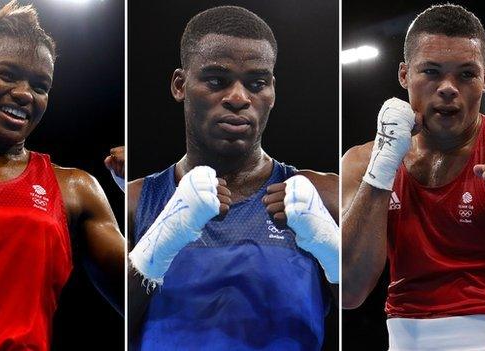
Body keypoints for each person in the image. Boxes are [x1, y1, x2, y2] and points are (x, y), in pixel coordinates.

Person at [127, 6, 339, 351]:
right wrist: (162, 239)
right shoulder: (137, 201)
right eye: (217, 81)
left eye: (257, 83)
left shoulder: (324, 194)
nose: (239, 98)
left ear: (272, 91)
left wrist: (329, 247)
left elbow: (359, 299)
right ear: (180, 85)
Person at [0, 1, 124, 350]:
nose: (25, 93)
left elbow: (146, 299)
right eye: (8, 74)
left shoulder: (74, 188)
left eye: (40, 85)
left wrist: (147, 196)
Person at [342, 4, 485, 350]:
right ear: (404, 75)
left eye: (466, 74)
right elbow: (349, 289)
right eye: (431, 72)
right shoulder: (362, 162)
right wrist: (383, 165)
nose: (448, 88)